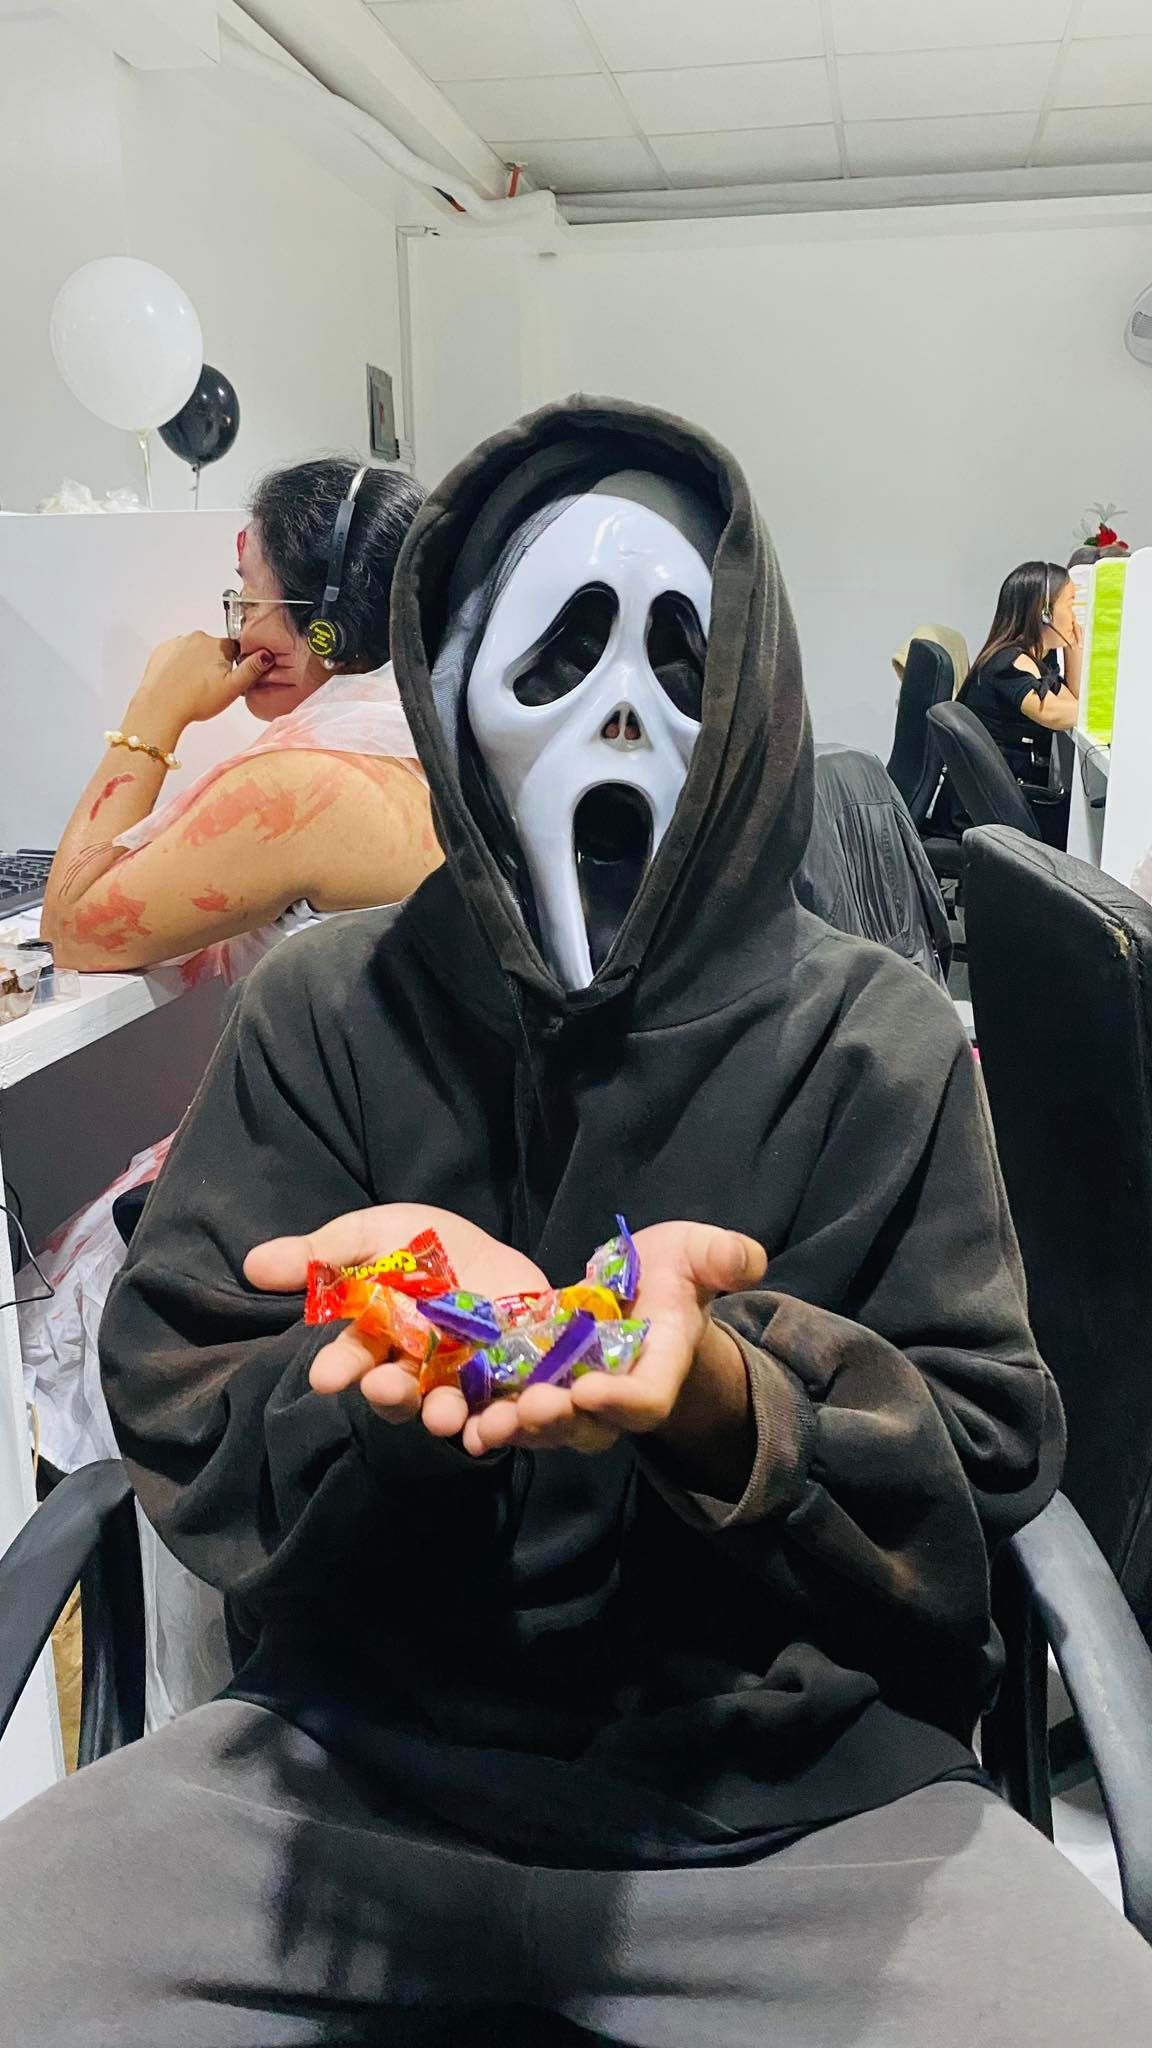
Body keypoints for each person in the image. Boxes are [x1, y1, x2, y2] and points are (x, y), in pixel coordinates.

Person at [4, 397, 1151, 2046]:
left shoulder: (876, 1041)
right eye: (561, 656)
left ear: (746, 692)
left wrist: (725, 1395)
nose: (624, 713)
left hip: (788, 1802)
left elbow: (981, 1462)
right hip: (348, 1769)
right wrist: (377, 1350)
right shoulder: (330, 1013)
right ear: (456, 683)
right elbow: (192, 1393)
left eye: (680, 659)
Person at [20, 457, 437, 1723]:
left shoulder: (303, 784)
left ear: (308, 627)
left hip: (306, 1236)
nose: (229, 627)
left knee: (58, 1247)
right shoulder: (447, 739)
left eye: (241, 592)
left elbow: (79, 920)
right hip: (431, 1194)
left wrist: (152, 711)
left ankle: (167, 1688)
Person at [958, 559, 1083, 787]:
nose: (1075, 616)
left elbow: (1074, 703)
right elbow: (1055, 715)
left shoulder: (1037, 660)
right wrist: (1123, 714)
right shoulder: (1007, 663)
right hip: (992, 802)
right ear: (1043, 612)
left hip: (1005, 790)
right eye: (1070, 604)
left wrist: (1073, 648)